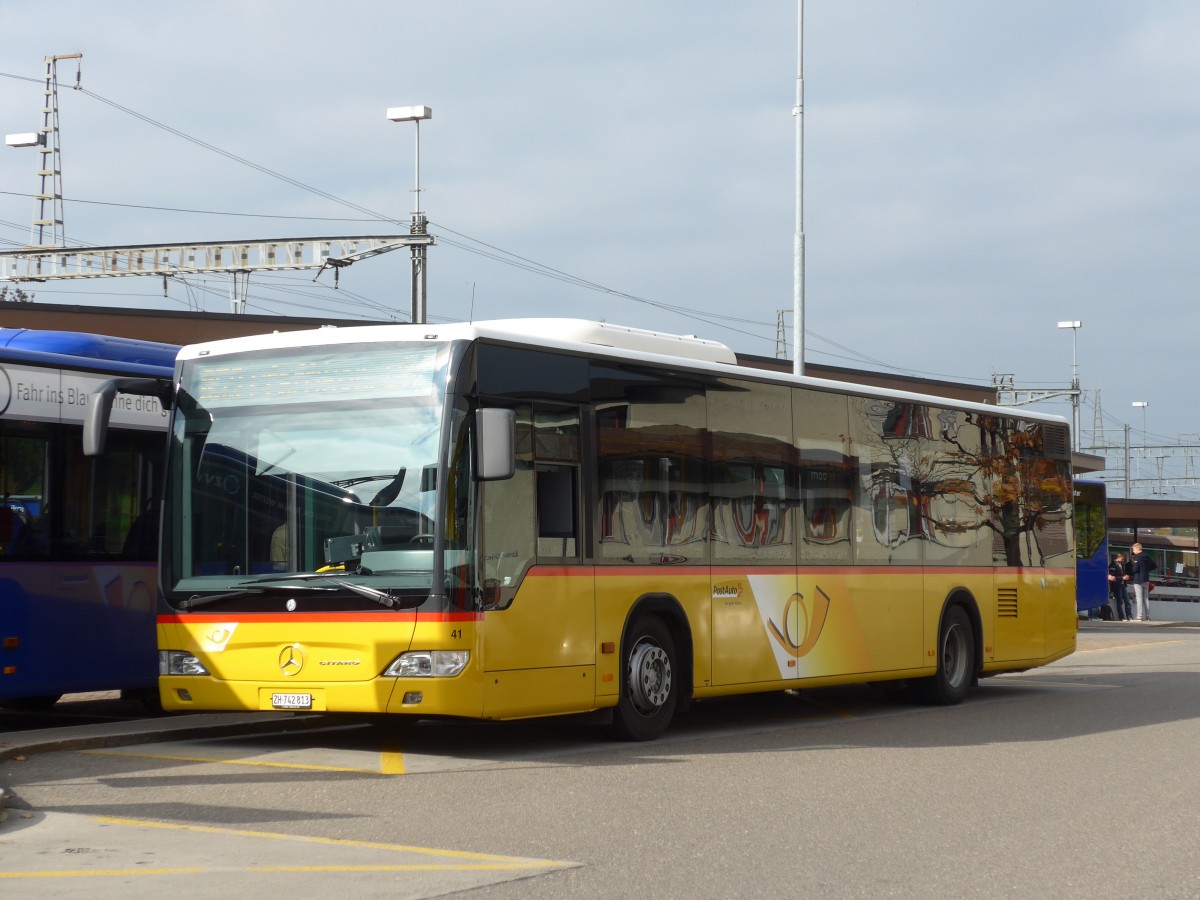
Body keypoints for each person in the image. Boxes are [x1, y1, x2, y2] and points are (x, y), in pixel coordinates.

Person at [1128, 543, 1156, 622]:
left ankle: (1139, 617)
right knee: (1146, 598)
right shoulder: (1147, 556)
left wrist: (1134, 567)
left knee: (1139, 598)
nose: (1133, 551)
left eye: (1133, 549)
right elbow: (1154, 565)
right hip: (1146, 579)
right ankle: (1147, 617)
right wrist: (1146, 570)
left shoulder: (1138, 557)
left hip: (1138, 579)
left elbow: (1135, 569)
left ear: (1137, 549)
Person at [1108, 552, 1130, 621]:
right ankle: (1122, 617)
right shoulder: (1113, 565)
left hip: (1123, 584)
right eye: (1122, 558)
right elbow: (1112, 577)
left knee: (1127, 600)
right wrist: (1122, 578)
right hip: (1117, 585)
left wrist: (1125, 577)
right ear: (1117, 558)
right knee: (1120, 601)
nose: (1123, 560)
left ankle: (1129, 615)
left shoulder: (1122, 564)